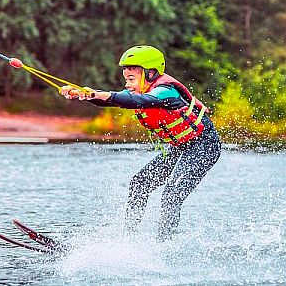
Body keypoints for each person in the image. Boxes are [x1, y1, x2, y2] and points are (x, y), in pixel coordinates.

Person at [60, 45, 221, 241]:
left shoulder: (165, 91)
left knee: (171, 194)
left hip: (204, 145)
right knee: (139, 184)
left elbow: (138, 101)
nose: (127, 84)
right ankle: (128, 241)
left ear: (151, 73)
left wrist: (97, 93)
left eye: (131, 79)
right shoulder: (142, 91)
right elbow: (116, 99)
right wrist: (83, 95)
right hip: (180, 147)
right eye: (125, 79)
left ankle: (164, 246)